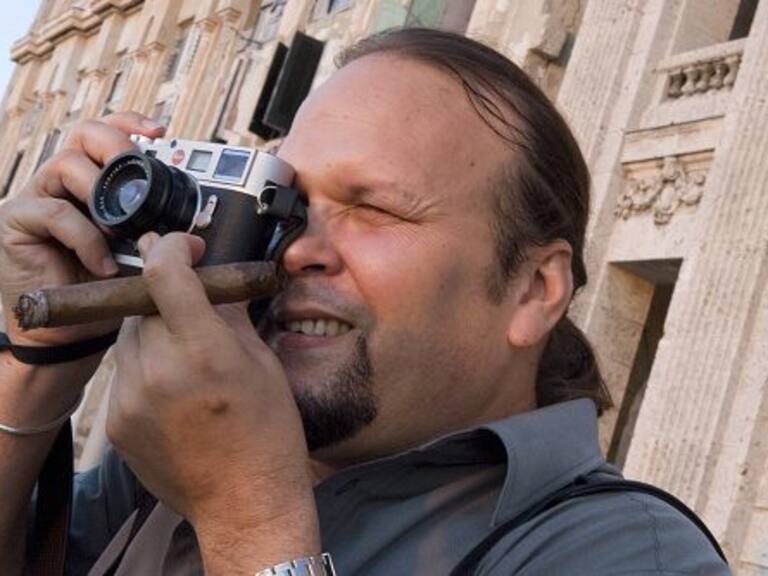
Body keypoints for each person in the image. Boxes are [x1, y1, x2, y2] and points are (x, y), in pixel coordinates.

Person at [0, 28, 729, 575]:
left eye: (374, 208)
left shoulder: (627, 553)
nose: (293, 250)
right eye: (287, 202)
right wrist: (33, 370)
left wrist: (247, 517)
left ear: (534, 291)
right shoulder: (173, 460)